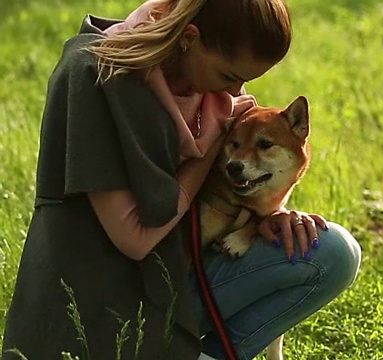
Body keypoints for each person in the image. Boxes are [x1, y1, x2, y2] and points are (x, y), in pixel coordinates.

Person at [1, 0, 362, 359]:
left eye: (245, 81)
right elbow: (134, 238)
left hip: (176, 280)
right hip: (102, 305)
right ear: (189, 37)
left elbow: (236, 178)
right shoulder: (92, 76)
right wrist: (213, 146)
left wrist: (268, 214)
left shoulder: (207, 93)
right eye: (229, 76)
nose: (238, 94)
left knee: (331, 253)